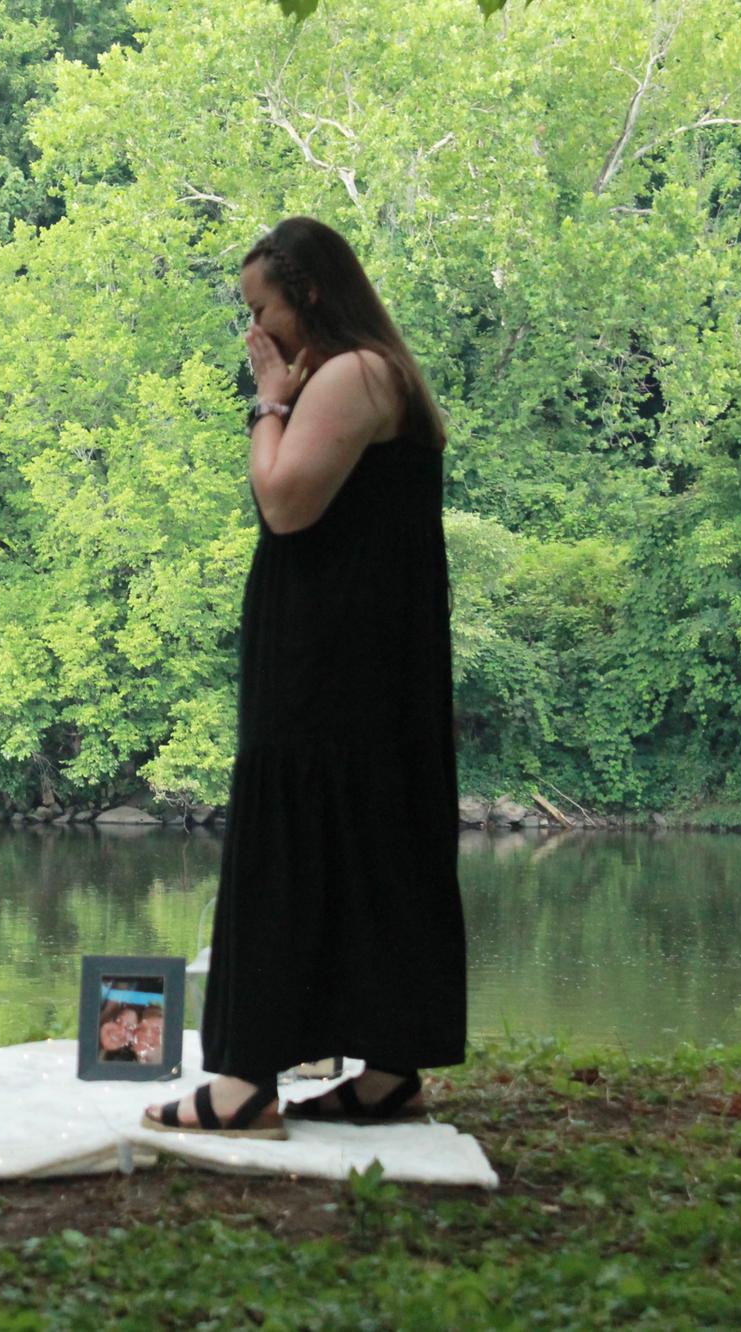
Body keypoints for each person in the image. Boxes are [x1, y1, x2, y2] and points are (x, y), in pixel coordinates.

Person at [143, 217, 466, 1140]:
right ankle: (388, 1071)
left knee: (285, 839)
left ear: (309, 294)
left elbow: (284, 502)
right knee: (374, 837)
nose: (256, 329)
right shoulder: (374, 372)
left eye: (262, 308)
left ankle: (244, 1083)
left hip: (331, 655)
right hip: (370, 654)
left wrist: (268, 402)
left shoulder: (352, 375)